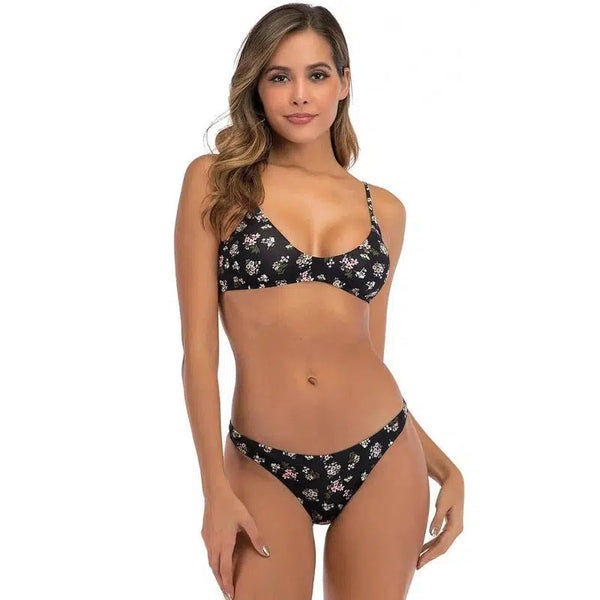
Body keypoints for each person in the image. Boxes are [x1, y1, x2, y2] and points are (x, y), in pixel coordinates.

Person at [174, 4, 464, 599]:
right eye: (280, 76)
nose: (300, 95)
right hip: (261, 462)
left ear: (344, 82)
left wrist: (444, 466)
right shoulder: (217, 182)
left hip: (383, 454)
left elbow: (368, 357)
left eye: (317, 74)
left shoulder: (385, 211)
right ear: (256, 86)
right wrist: (213, 490)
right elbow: (199, 351)